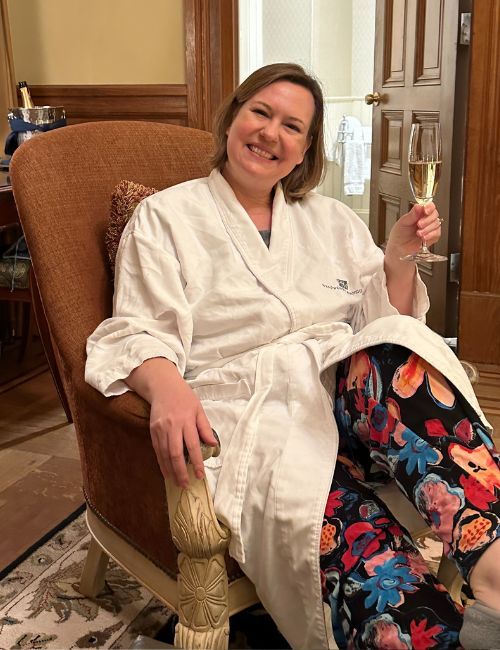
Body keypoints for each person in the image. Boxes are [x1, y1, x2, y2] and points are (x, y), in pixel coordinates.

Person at [85, 63, 500, 649]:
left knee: (389, 352)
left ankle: (495, 567)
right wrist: (167, 387)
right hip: (259, 416)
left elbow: (387, 324)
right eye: (260, 112)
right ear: (232, 118)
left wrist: (398, 258)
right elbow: (137, 329)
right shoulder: (166, 218)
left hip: (358, 409)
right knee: (356, 549)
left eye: (292, 126)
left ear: (305, 149)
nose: (270, 133)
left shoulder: (331, 219)